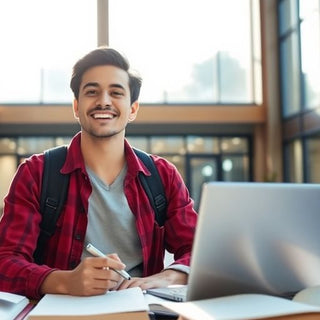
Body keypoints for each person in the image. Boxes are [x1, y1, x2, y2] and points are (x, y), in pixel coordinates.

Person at [0, 47, 198, 300]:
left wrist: (166, 277)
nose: (104, 101)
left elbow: (199, 251)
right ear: (76, 106)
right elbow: (5, 262)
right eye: (92, 92)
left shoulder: (162, 176)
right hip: (61, 313)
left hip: (141, 310)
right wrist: (64, 281)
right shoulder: (37, 173)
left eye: (116, 92)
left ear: (133, 109)